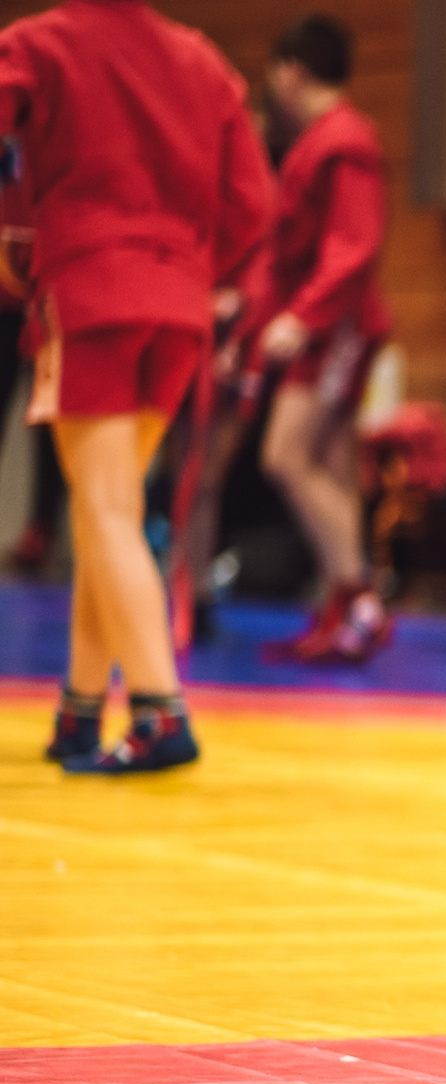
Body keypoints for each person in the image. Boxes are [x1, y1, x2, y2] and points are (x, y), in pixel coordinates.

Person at [1, 0, 271, 773]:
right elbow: (253, 201)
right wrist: (189, 264)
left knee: (107, 507)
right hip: (178, 303)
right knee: (106, 507)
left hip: (89, 287)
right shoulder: (200, 59)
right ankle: (80, 712)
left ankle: (159, 709)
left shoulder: (40, 43)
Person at [257, 12, 395, 666]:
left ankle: (359, 597)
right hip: (327, 322)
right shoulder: (325, 140)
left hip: (333, 325)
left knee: (285, 455)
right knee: (333, 467)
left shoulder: (343, 141)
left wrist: (303, 317)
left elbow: (353, 246)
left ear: (293, 70)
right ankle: (344, 601)